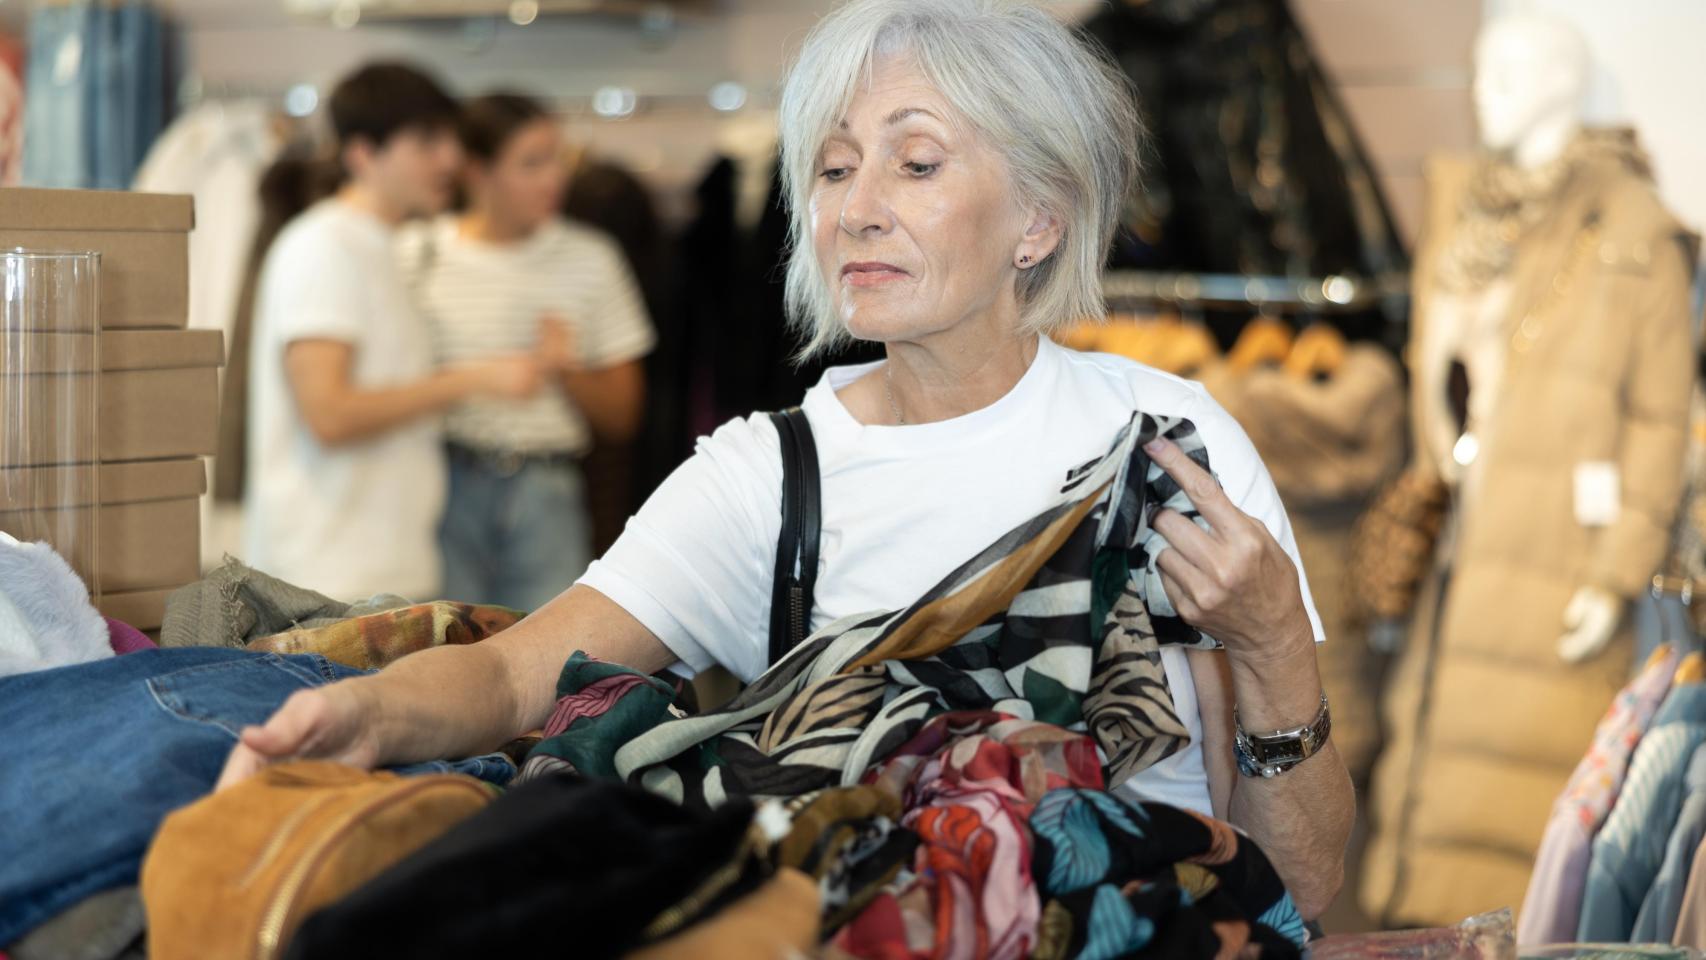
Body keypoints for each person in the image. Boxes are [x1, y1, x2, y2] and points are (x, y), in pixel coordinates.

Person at [222, 0, 1355, 918]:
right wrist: (363, 716)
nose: (856, 210)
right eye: (831, 168)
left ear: (1039, 221)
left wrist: (1269, 652)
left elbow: (1302, 891)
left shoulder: (1167, 445)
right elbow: (521, 672)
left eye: (913, 165)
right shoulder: (771, 476)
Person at [243, 64, 545, 601]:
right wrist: (471, 380)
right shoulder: (324, 246)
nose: (450, 158)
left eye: (450, 139)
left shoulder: (381, 247)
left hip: (378, 574)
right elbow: (329, 413)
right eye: (426, 142)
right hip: (326, 580)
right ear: (363, 153)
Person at [401, 93, 655, 612]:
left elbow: (625, 416)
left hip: (548, 488)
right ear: (477, 170)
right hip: (438, 481)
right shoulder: (416, 253)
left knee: (547, 664)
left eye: (557, 158)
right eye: (531, 163)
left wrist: (567, 370)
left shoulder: (591, 257)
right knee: (443, 657)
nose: (554, 178)